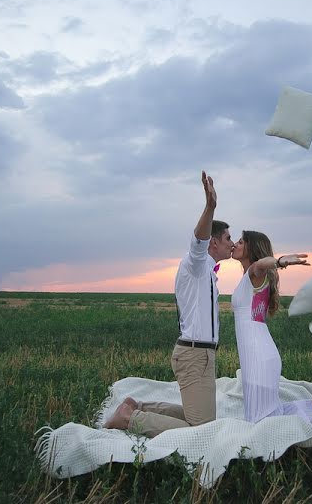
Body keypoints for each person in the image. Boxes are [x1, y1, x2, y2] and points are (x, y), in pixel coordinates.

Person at [105, 171, 234, 437]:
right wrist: (210, 207)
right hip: (194, 354)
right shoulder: (195, 264)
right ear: (214, 242)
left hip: (201, 354)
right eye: (228, 239)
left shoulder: (208, 271)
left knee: (198, 417)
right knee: (201, 428)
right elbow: (197, 242)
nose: (232, 244)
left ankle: (135, 406)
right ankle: (131, 419)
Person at [230, 230, 312, 428]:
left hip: (258, 357)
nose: (235, 245)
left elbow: (261, 264)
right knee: (266, 414)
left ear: (252, 248)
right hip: (256, 354)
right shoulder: (248, 279)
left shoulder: (255, 271)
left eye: (240, 242)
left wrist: (280, 262)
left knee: (261, 423)